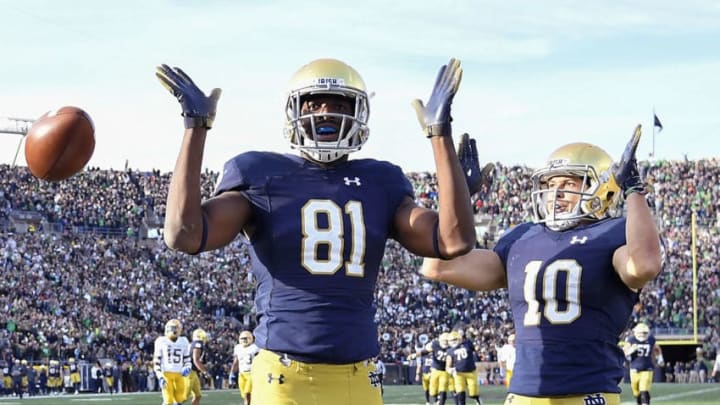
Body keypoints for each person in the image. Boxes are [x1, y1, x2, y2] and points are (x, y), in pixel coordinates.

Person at [156, 55, 483, 405]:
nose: (326, 111)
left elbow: (453, 239)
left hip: (359, 374)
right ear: (294, 110)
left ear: (359, 112)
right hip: (282, 375)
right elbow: (184, 234)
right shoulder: (260, 172)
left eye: (340, 103)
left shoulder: (381, 179)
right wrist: (195, 127)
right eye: (315, 103)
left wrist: (440, 136)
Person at [421, 125, 663, 405]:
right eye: (550, 185)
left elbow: (644, 266)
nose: (555, 193)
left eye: (569, 183)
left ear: (603, 188)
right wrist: (456, 192)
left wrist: (634, 190)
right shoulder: (522, 236)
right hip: (522, 396)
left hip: (586, 394)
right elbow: (437, 266)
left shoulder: (614, 232)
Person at [623, 323, 663, 405]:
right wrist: (630, 350)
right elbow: (624, 352)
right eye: (641, 332)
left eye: (644, 333)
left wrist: (660, 358)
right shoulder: (631, 339)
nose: (642, 335)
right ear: (636, 332)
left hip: (647, 369)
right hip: (634, 369)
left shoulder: (651, 339)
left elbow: (657, 348)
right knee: (636, 392)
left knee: (644, 390)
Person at [153, 319, 191, 405]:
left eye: (176, 328)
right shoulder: (161, 341)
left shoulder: (184, 340)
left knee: (179, 399)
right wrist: (160, 377)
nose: (175, 331)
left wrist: (188, 367)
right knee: (168, 401)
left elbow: (187, 359)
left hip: (179, 374)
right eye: (174, 328)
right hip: (166, 373)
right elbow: (156, 362)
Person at [446, 330, 482, 405]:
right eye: (451, 340)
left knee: (473, 393)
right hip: (459, 374)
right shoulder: (450, 350)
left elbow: (477, 348)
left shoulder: (467, 343)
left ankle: (477, 398)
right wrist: (450, 370)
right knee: (460, 394)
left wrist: (477, 340)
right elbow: (448, 365)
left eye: (454, 339)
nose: (453, 342)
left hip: (471, 372)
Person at [230, 331, 259, 405]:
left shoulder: (255, 348)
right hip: (241, 374)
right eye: (243, 338)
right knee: (244, 396)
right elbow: (236, 362)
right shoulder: (238, 347)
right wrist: (232, 374)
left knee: (247, 394)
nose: (244, 340)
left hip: (252, 373)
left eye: (246, 338)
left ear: (251, 338)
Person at [186, 328, 210, 405]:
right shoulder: (198, 344)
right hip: (189, 372)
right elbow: (196, 360)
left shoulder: (195, 343)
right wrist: (205, 372)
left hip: (194, 372)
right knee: (183, 397)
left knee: (197, 395)